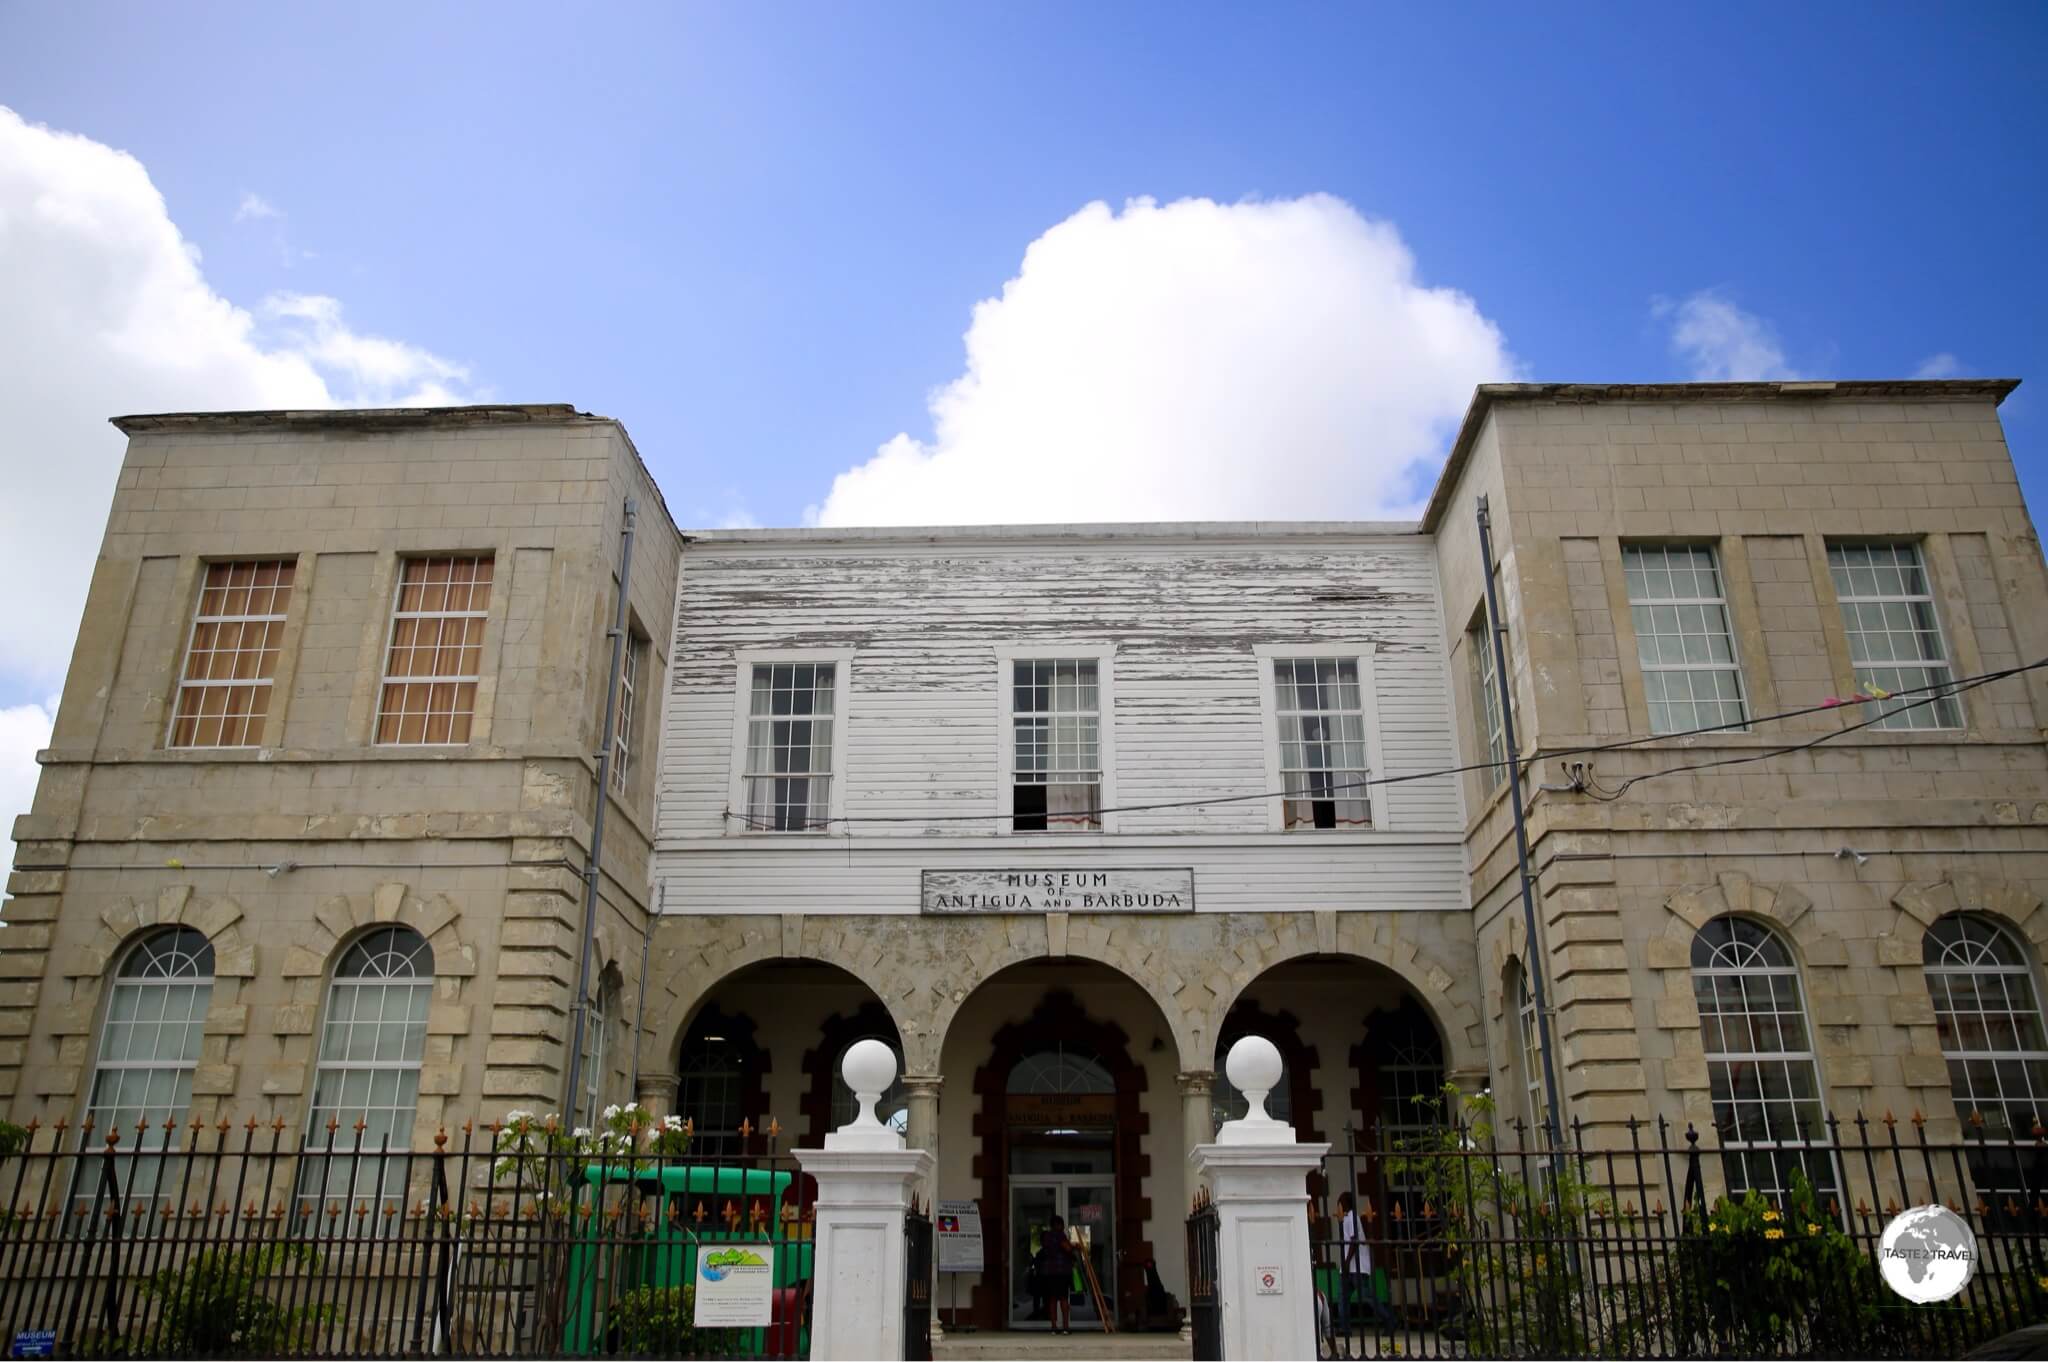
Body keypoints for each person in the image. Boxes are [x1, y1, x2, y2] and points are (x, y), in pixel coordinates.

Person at [1335, 1192, 1397, 1338]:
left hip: (1357, 1267)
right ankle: (1344, 1327)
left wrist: (1346, 1262)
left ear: (1345, 1203)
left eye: (1340, 1203)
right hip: (1348, 1267)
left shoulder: (1352, 1217)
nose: (1338, 1206)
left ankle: (1389, 1319)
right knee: (1342, 1297)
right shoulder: (1346, 1219)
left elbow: (1354, 1241)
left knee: (1366, 1296)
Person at [1036, 1214, 1076, 1334]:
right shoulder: (1059, 1235)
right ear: (1058, 1225)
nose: (1063, 1227)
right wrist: (1075, 1247)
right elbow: (1067, 1248)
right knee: (1063, 1299)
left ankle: (1053, 1327)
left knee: (1052, 1299)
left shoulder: (1046, 1236)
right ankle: (1065, 1327)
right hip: (1061, 1272)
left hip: (1049, 1273)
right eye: (1062, 1224)